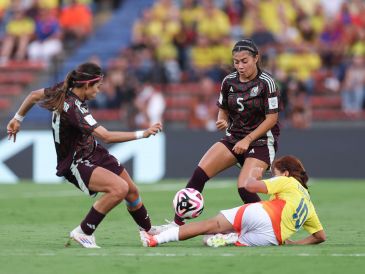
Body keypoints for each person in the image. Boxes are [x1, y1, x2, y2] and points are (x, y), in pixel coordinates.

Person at [6, 62, 163, 248]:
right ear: (87, 85)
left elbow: (33, 95)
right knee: (119, 189)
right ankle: (84, 232)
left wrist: (17, 118)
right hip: (76, 162)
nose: (99, 90)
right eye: (98, 86)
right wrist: (142, 134)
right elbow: (107, 136)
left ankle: (147, 230)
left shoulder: (62, 89)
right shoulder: (74, 108)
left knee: (131, 190)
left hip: (93, 151)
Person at [157, 38, 281, 229]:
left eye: (244, 61)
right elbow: (222, 107)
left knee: (245, 187)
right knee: (199, 175)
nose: (240, 66)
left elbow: (271, 119)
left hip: (261, 142)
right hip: (234, 138)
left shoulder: (267, 83)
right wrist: (221, 118)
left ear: (256, 58)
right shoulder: (228, 81)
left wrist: (248, 140)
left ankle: (269, 227)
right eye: (236, 62)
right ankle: (176, 224)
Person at [140, 155, 326, 247]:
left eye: (274, 173)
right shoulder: (308, 203)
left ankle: (155, 239)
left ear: (285, 173)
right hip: (272, 238)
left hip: (262, 213)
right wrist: (295, 244)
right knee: (209, 241)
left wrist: (255, 173)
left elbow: (250, 187)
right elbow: (320, 237)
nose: (273, 176)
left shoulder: (286, 181)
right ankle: (232, 238)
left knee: (208, 225)